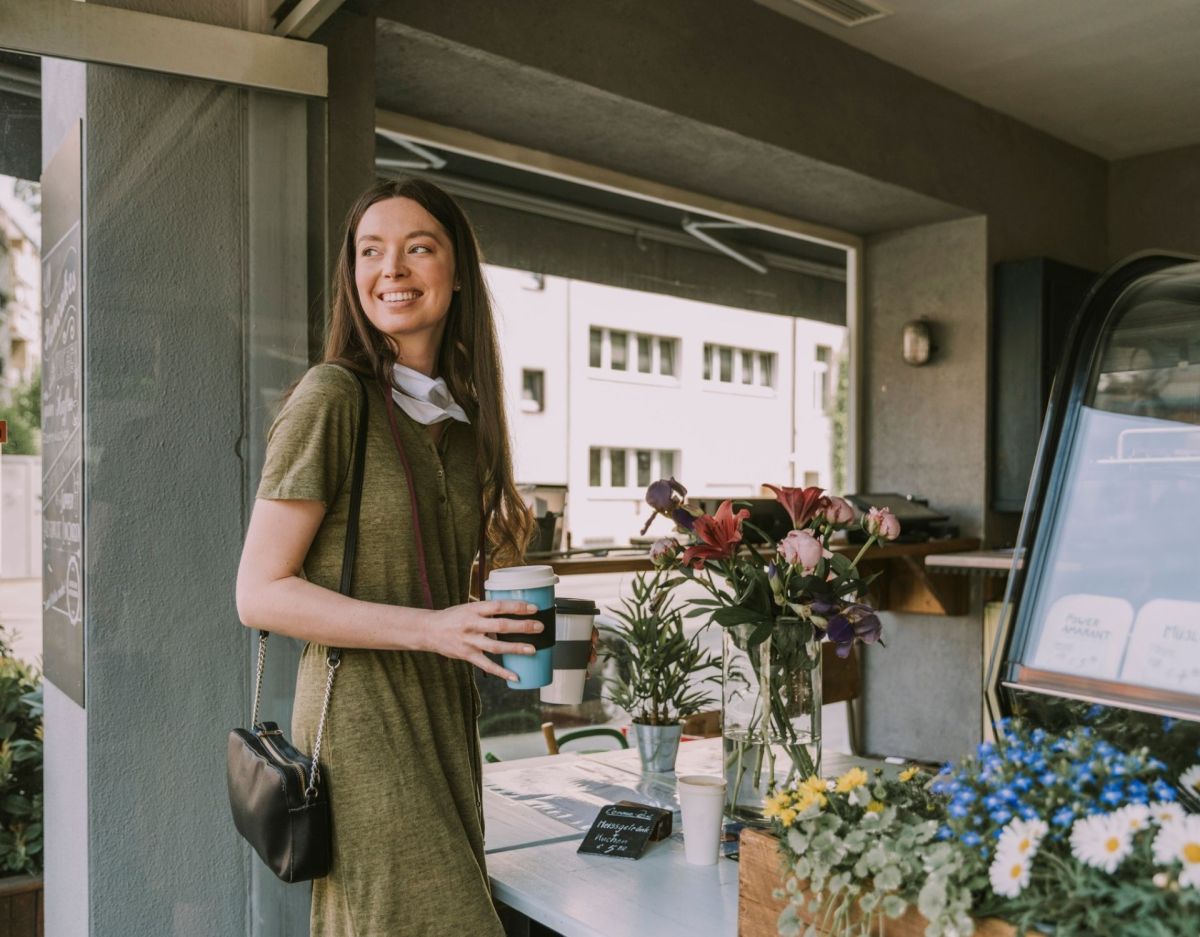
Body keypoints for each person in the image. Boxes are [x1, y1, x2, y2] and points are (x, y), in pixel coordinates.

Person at [236, 177, 543, 936]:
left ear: (457, 271)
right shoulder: (332, 398)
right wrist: (433, 628)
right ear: (353, 276)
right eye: (371, 251)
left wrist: (513, 627)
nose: (392, 269)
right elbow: (260, 592)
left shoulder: (463, 426)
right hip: (363, 730)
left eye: (418, 248)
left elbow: (440, 590)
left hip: (445, 724)